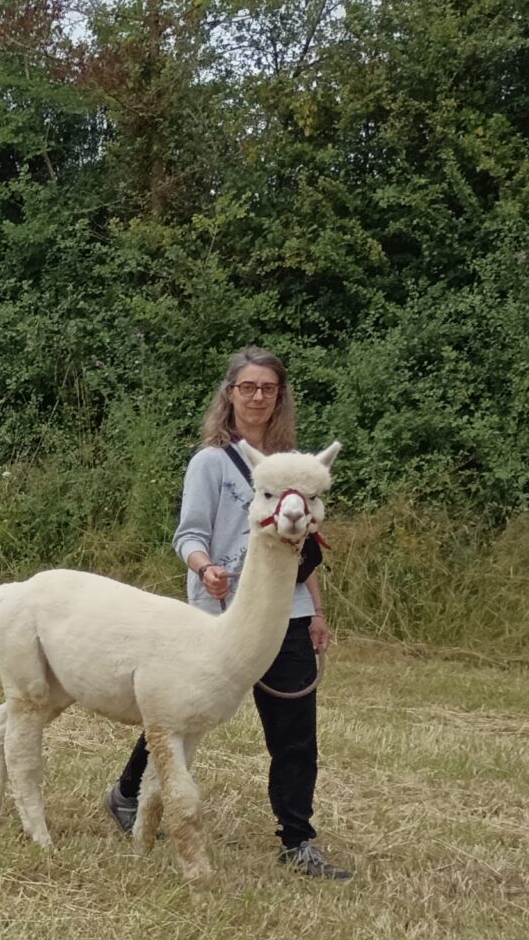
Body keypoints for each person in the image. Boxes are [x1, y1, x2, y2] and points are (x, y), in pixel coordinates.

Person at [104, 346, 350, 880]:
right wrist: (205, 567)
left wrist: (315, 610)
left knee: (295, 731)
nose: (258, 397)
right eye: (248, 387)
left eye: (268, 388)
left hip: (283, 615)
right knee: (176, 716)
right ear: (230, 393)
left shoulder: (294, 468)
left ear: (280, 397)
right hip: (218, 615)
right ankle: (129, 793)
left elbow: (303, 545)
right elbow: (188, 533)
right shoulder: (211, 463)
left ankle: (297, 839)